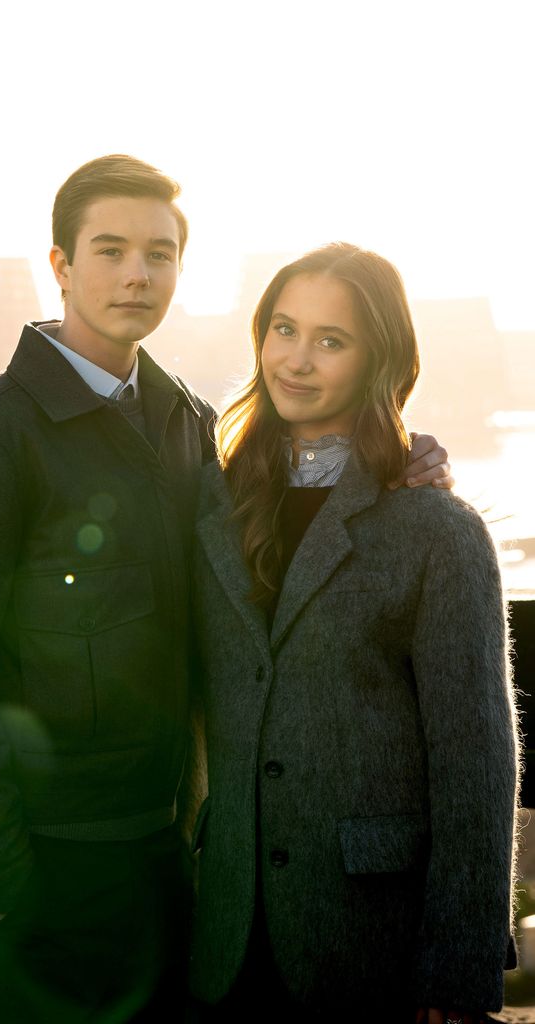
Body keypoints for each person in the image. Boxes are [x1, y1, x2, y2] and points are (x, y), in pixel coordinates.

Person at [0, 157, 452, 1023]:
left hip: (175, 863)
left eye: (158, 252)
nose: (136, 274)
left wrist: (402, 463)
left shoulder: (187, 422)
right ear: (61, 265)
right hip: (45, 871)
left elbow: (287, 510)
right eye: (109, 249)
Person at [189, 242, 518, 1024]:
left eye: (330, 341)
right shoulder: (211, 506)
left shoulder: (435, 528)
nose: (295, 360)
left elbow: (476, 761)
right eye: (282, 329)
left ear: (378, 359)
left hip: (373, 935)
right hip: (227, 931)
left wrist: (458, 966)